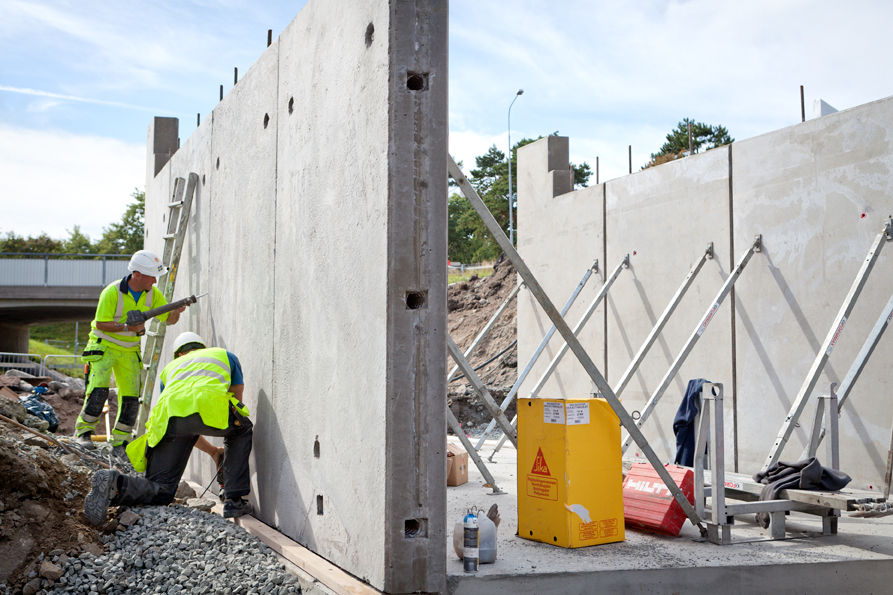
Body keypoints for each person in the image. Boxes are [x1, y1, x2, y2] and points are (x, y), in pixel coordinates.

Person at [83, 332, 253, 525]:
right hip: (208, 407)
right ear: (202, 348)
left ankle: (117, 484)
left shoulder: (169, 369)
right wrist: (228, 446)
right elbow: (236, 399)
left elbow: (185, 423)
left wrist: (213, 452)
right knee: (241, 429)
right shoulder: (224, 355)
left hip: (167, 422)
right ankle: (234, 500)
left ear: (178, 354)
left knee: (162, 489)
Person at [74, 250, 188, 455]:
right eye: (152, 276)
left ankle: (121, 441)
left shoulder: (153, 294)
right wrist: (127, 328)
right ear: (137, 275)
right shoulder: (112, 292)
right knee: (98, 391)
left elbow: (169, 320)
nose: (155, 280)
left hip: (129, 350)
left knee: (131, 398)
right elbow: (100, 323)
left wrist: (176, 311)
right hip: (104, 346)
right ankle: (84, 432)